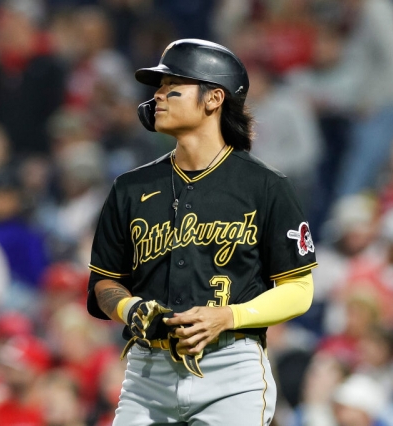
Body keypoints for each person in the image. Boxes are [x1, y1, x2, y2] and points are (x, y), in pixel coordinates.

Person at [86, 39, 317, 425]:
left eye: (171, 85)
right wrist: (130, 308)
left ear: (213, 99)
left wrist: (228, 316)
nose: (157, 95)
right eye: (158, 87)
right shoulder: (130, 188)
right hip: (147, 373)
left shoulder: (265, 187)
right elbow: (104, 283)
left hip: (231, 367)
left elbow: (299, 290)